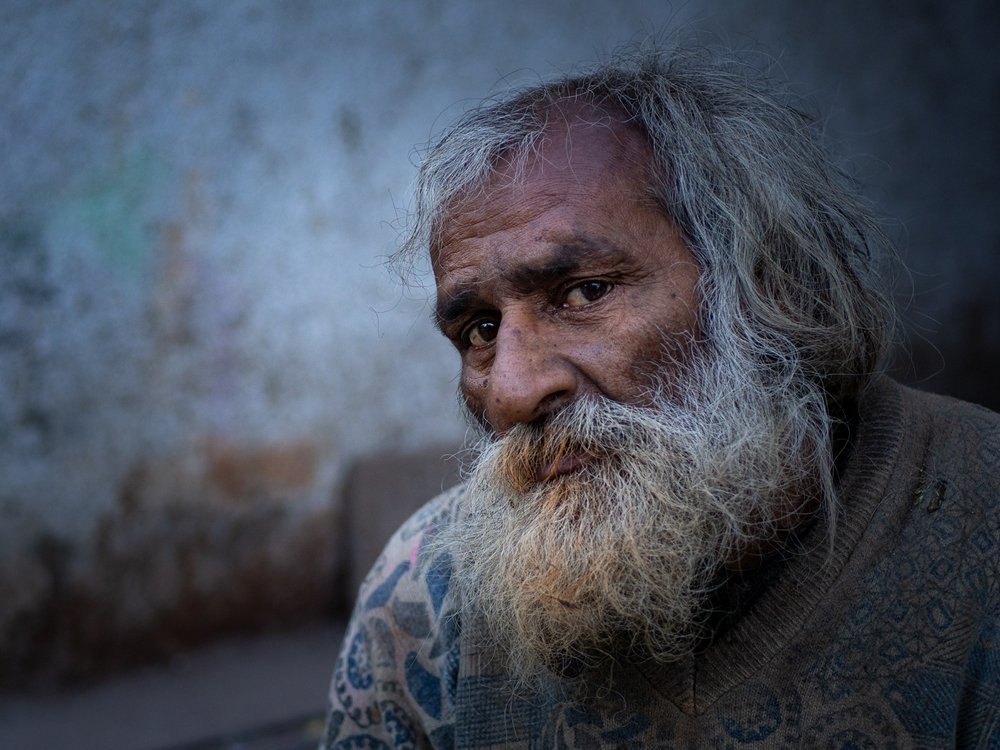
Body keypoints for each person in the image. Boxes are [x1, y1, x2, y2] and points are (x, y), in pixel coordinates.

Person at [321, 47, 999, 748]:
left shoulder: (981, 517)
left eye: (584, 292)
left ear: (766, 286)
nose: (512, 391)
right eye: (481, 329)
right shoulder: (426, 590)